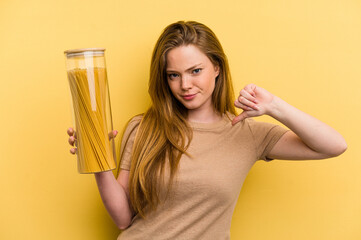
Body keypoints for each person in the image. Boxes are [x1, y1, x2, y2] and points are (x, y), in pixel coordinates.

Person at [67, 21, 347, 239]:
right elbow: (123, 218)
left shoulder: (246, 134)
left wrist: (274, 106)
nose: (185, 85)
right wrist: (98, 156)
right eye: (173, 75)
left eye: (195, 71)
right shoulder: (143, 128)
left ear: (216, 67)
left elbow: (333, 145)